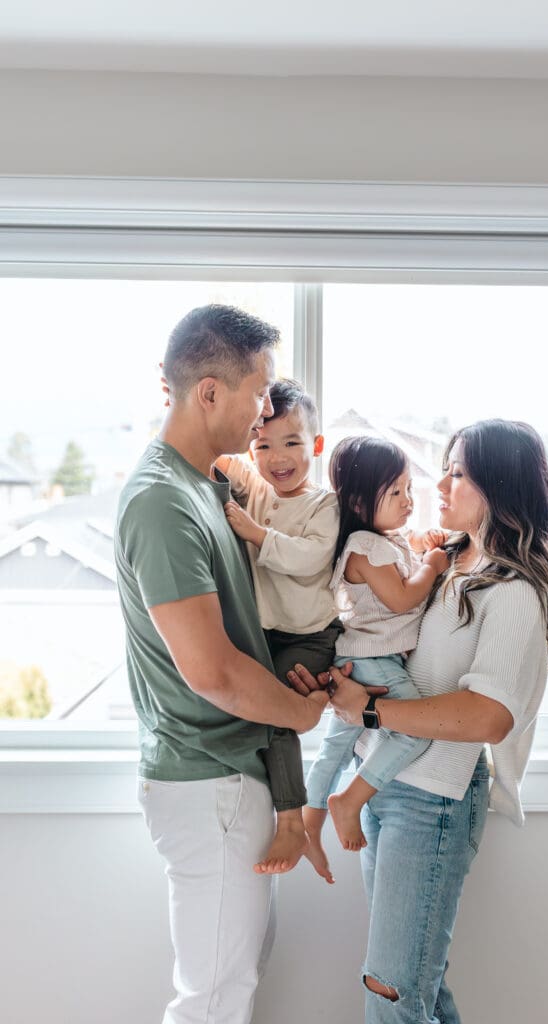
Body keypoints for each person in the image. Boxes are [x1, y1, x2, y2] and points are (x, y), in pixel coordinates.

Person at [290, 419, 548, 1024]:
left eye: (459, 472)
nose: (439, 483)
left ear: (498, 485)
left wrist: (369, 709)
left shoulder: (515, 590)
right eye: (443, 467)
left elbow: (490, 715)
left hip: (433, 803)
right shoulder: (451, 562)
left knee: (391, 991)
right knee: (418, 988)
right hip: (386, 791)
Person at [114, 304, 329, 1024]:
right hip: (208, 783)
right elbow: (211, 671)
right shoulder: (161, 502)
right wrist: (298, 711)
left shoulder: (205, 487)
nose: (265, 411)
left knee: (228, 987)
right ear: (209, 392)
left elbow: (242, 634)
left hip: (228, 779)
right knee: (210, 1000)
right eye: (258, 392)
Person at [213, 378, 342, 881]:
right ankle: (271, 808)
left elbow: (310, 558)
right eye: (263, 445)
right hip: (266, 636)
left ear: (315, 445)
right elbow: (220, 456)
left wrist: (255, 532)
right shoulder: (260, 489)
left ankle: (292, 820)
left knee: (279, 712)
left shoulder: (322, 505)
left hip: (310, 636)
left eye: (291, 443)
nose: (277, 457)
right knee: (260, 711)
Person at [303, 435, 449, 867]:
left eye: (408, 488)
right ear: (361, 504)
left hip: (360, 659)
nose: (408, 500)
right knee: (414, 728)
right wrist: (433, 566)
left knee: (337, 746)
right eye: (395, 492)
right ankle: (349, 800)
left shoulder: (383, 542)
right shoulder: (366, 548)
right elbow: (403, 598)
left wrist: (423, 546)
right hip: (374, 662)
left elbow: (405, 552)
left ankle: (309, 820)